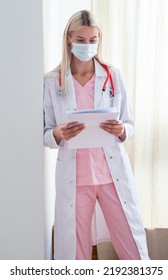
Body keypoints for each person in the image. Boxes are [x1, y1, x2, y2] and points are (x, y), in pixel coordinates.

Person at [43, 9, 149, 260]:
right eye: (81, 40)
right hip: (76, 179)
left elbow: (130, 125)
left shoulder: (112, 76)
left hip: (111, 177)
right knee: (76, 256)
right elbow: (46, 133)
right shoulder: (52, 81)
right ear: (68, 38)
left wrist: (122, 130)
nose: (87, 46)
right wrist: (58, 133)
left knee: (133, 248)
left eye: (93, 40)